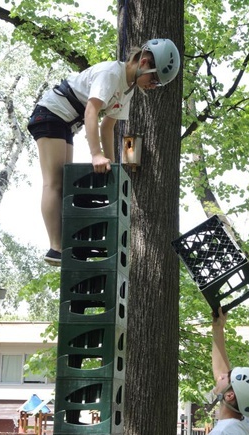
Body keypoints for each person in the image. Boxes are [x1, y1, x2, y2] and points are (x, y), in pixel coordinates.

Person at [27, 38, 180, 266]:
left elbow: (108, 126)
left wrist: (113, 169)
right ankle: (56, 247)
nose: (153, 86)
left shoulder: (128, 89)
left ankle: (65, 244)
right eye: (155, 79)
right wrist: (96, 154)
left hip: (66, 122)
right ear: (145, 62)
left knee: (66, 183)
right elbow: (92, 111)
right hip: (50, 115)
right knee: (54, 183)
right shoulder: (111, 74)